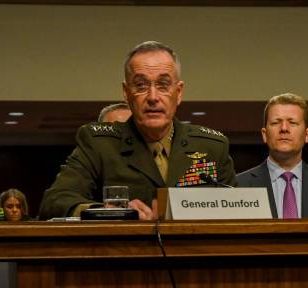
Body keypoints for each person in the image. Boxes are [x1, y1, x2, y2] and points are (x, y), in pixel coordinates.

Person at [39, 41, 237, 220]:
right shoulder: (99, 144)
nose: (152, 97)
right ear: (126, 93)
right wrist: (111, 213)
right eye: (141, 85)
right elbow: (55, 201)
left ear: (178, 93)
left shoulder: (212, 146)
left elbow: (239, 212)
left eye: (163, 85)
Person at [238, 93, 308, 218]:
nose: (284, 128)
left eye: (292, 123)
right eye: (276, 123)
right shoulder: (239, 186)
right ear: (264, 134)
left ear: (307, 134)